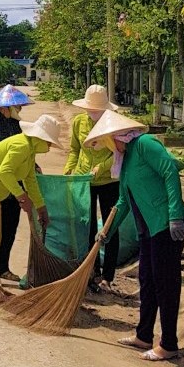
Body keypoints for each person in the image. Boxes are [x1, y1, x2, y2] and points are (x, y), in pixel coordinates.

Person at [84, 110, 184, 362]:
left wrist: (175, 214)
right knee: (147, 280)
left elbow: (169, 172)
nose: (109, 147)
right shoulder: (126, 160)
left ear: (118, 136)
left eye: (109, 142)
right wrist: (107, 232)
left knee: (165, 282)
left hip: (166, 225)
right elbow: (122, 201)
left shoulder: (144, 144)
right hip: (148, 229)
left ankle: (169, 344)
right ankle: (143, 335)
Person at [0, 114, 62, 304]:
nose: (50, 148)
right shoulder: (21, 146)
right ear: (41, 138)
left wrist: (41, 207)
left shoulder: (29, 150)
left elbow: (30, 180)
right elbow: (4, 172)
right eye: (49, 143)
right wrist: (21, 197)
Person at [62, 84, 120, 293]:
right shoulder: (79, 123)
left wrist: (102, 167)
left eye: (98, 111)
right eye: (90, 110)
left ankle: (107, 275)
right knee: (88, 227)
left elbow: (119, 153)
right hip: (84, 180)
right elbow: (75, 150)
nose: (93, 114)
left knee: (110, 227)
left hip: (109, 182)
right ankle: (92, 270)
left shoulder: (114, 125)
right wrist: (69, 168)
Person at [0, 84, 35, 283]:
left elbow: (25, 151)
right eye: (16, 107)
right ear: (5, 107)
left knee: (10, 229)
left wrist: (33, 166)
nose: (19, 110)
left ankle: (3, 268)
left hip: (16, 186)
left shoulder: (18, 126)